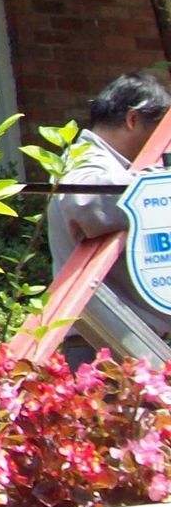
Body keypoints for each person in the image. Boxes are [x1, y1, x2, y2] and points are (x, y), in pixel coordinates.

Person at [47, 71, 171, 340]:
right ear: (133, 119)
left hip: (135, 340)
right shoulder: (82, 160)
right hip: (102, 344)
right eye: (161, 134)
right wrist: (158, 185)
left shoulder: (120, 167)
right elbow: (84, 202)